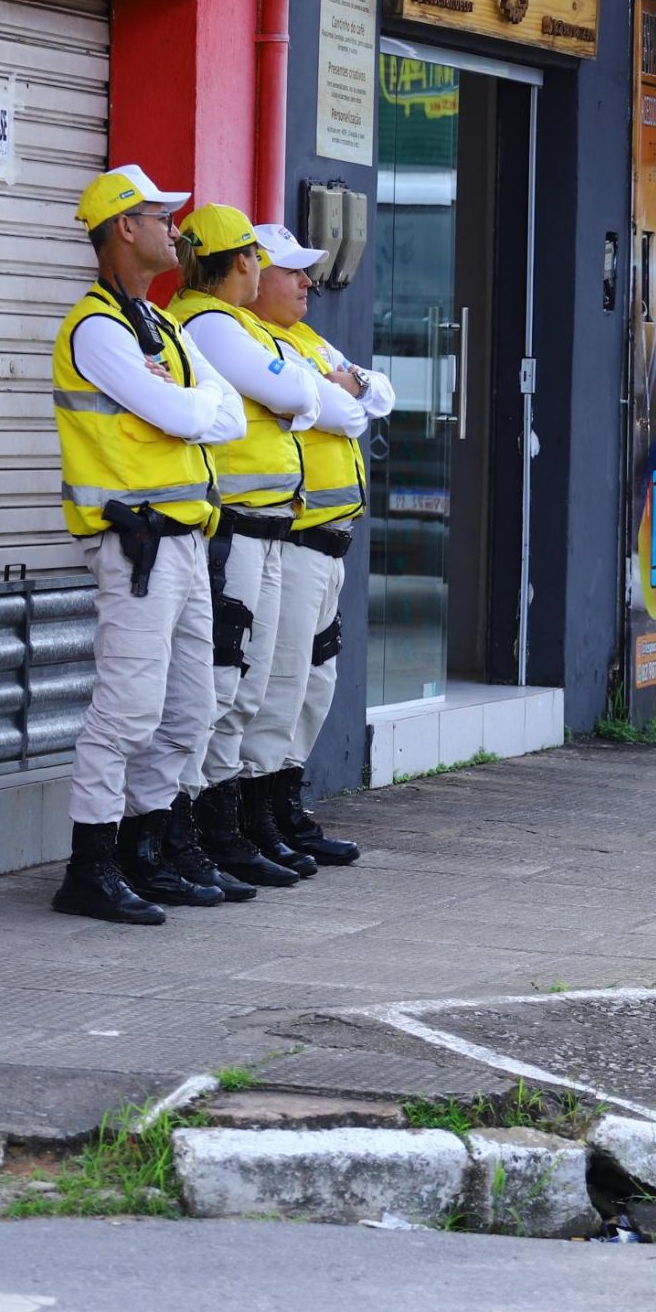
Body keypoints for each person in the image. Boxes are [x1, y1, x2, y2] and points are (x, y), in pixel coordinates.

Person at [50, 165, 248, 926]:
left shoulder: (160, 326)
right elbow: (179, 410)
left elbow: (219, 417)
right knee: (128, 711)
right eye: (160, 217)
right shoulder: (96, 329)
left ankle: (147, 850)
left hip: (186, 545)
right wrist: (192, 408)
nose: (175, 229)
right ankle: (91, 867)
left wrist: (190, 408)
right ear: (123, 228)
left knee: (190, 708)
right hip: (136, 549)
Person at [167, 203, 324, 895]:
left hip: (262, 533)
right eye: (258, 259)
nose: (266, 272)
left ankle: (223, 828)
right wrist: (299, 398)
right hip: (233, 533)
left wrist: (299, 398)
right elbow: (294, 395)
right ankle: (205, 831)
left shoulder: (226, 324)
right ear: (241, 263)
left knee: (250, 685)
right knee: (224, 688)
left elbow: (302, 398)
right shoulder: (207, 324)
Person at [241, 223, 395, 868]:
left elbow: (379, 395)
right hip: (295, 536)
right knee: (280, 682)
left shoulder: (305, 339)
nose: (308, 283)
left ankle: (285, 802)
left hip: (331, 542)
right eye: (293, 272)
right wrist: (343, 393)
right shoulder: (253, 339)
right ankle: (256, 815)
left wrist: (346, 392)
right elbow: (343, 409)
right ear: (254, 278)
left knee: (316, 680)